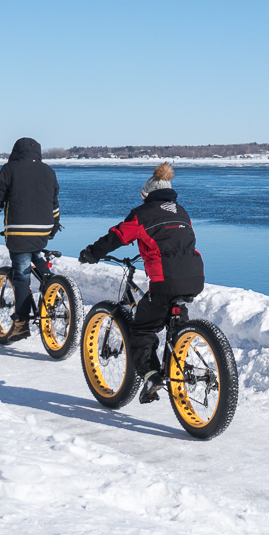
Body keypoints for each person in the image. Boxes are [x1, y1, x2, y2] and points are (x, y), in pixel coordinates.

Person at [79, 162, 204, 403]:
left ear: (147, 194)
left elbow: (116, 236)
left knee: (142, 330)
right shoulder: (182, 211)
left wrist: (91, 254)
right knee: (175, 321)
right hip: (194, 277)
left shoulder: (142, 214)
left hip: (164, 280)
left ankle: (151, 375)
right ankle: (182, 355)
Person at [0, 137, 61, 341]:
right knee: (34, 252)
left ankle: (21, 323)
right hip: (43, 228)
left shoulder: (9, 169)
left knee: (21, 276)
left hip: (18, 230)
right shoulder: (49, 171)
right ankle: (54, 287)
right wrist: (53, 227)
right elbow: (54, 203)